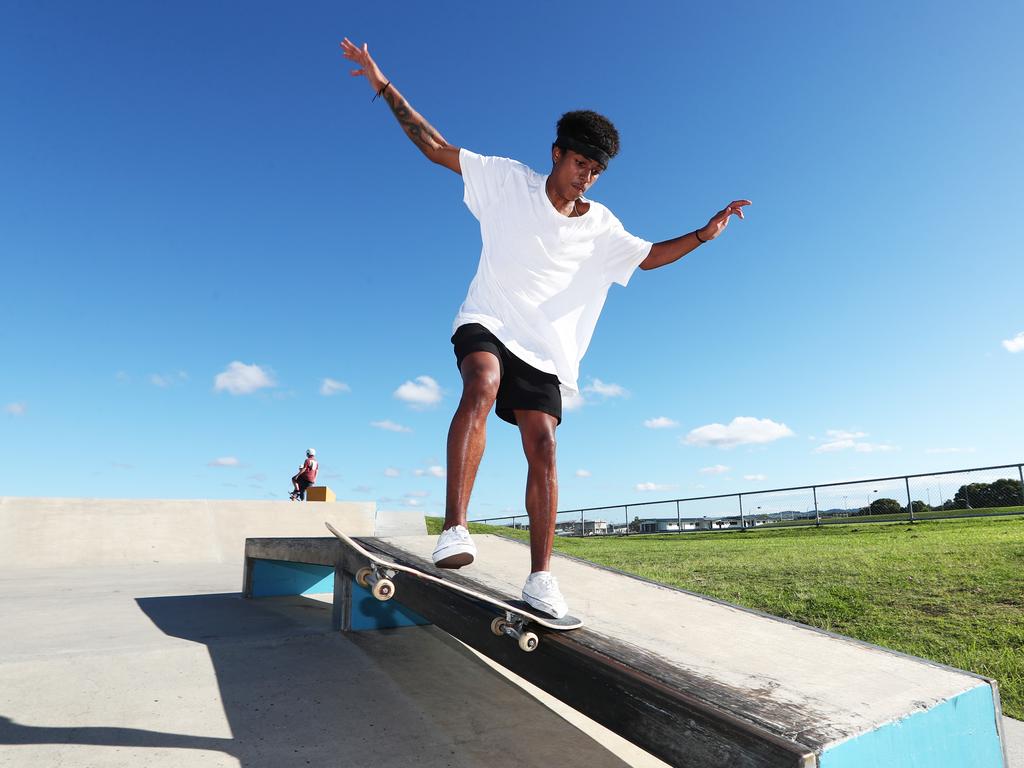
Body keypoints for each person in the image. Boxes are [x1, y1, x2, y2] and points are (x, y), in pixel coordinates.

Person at [341, 39, 750, 618]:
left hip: (547, 351)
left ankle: (540, 578)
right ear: (556, 153)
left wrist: (704, 236)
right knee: (480, 383)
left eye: (596, 171)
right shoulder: (507, 181)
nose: (586, 178)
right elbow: (434, 146)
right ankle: (455, 528)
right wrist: (384, 86)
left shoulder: (603, 227)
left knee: (545, 449)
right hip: (487, 319)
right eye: (580, 164)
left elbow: (650, 256)